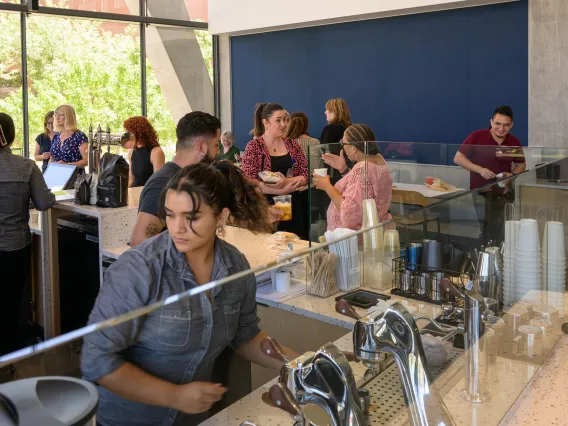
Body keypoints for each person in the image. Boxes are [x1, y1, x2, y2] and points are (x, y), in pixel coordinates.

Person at [81, 161, 296, 426]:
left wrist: (297, 364)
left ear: (221, 217)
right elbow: (96, 359)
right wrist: (175, 396)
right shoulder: (140, 268)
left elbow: (246, 335)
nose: (177, 228)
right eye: (170, 215)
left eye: (191, 217)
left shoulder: (234, 266)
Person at [0, 113, 55, 361]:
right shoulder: (26, 166)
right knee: (11, 301)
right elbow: (44, 203)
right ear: (11, 137)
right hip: (14, 246)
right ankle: (10, 354)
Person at [130, 111, 221, 247]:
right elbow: (139, 242)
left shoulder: (189, 177)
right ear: (201, 147)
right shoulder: (163, 182)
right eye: (216, 145)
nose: (218, 152)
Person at [454, 106, 526, 244]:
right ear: (491, 122)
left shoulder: (513, 142)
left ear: (511, 125)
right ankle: (486, 259)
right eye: (498, 123)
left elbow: (521, 164)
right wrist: (480, 170)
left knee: (503, 230)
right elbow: (458, 158)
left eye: (506, 125)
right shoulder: (477, 136)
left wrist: (511, 174)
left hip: (504, 193)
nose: (501, 128)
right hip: (481, 193)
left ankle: (500, 258)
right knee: (486, 229)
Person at [242, 103, 309, 239]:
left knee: (295, 247)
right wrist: (280, 191)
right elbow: (250, 181)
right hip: (266, 209)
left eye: (285, 119)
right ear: (265, 123)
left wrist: (287, 181)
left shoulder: (292, 144)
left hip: (293, 206)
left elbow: (305, 174)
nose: (284, 124)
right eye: (278, 120)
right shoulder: (254, 147)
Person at [313, 124, 393, 232]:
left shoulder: (362, 167)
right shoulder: (378, 160)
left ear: (354, 148)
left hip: (356, 239)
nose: (342, 146)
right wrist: (344, 169)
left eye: (344, 143)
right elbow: (362, 191)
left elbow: (349, 214)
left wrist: (327, 187)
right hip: (375, 230)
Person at [121, 116, 166, 187]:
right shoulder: (132, 152)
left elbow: (158, 183)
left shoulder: (156, 152)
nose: (127, 135)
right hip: (134, 193)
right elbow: (131, 180)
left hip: (147, 194)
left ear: (139, 132)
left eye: (129, 132)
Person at [49, 105, 88, 171]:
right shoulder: (56, 136)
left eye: (61, 115)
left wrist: (68, 165)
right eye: (56, 115)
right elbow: (52, 159)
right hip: (57, 176)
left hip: (75, 178)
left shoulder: (79, 136)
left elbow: (87, 160)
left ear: (69, 117)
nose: (57, 118)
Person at [285, 112, 323, 176]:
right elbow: (320, 165)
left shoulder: (286, 143)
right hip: (313, 182)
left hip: (291, 182)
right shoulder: (315, 142)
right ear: (306, 125)